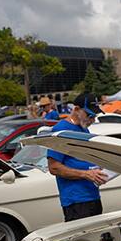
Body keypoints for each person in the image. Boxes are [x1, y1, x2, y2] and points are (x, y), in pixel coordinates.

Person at [47, 92, 108, 222]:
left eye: (94, 116)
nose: (92, 120)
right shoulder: (61, 130)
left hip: (92, 195)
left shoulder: (83, 128)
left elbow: (83, 160)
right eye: (89, 115)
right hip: (76, 201)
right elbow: (54, 167)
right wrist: (86, 174)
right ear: (76, 109)